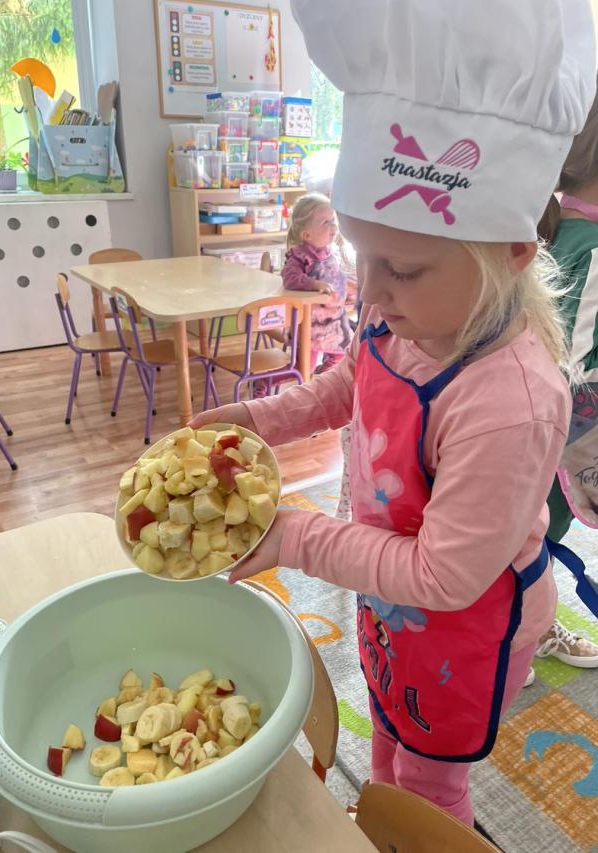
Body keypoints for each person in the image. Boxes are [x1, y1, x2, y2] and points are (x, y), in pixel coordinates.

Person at [192, 0, 597, 826]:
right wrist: (260, 419)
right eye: (361, 258)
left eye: (402, 270)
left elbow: (445, 575)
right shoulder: (405, 313)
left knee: (429, 783)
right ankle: (381, 819)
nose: (371, 294)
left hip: (463, 623)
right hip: (390, 594)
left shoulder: (510, 402)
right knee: (385, 727)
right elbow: (353, 383)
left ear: (513, 253)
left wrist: (292, 536)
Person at [531, 88, 598, 670]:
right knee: (538, 534)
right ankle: (522, 633)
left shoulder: (561, 229)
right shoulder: (592, 246)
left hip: (541, 429)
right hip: (561, 438)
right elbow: (575, 368)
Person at [281, 193, 352, 374]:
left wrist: (351, 289)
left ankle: (321, 379)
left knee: (341, 355)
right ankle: (264, 383)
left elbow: (338, 278)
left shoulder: (333, 252)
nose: (333, 226)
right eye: (325, 222)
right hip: (309, 326)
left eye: (333, 220)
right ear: (307, 234)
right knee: (304, 369)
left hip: (334, 322)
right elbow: (290, 278)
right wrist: (314, 284)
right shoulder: (301, 256)